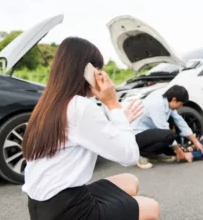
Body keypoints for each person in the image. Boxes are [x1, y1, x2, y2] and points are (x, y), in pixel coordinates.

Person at [21, 37, 160, 220]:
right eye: (98, 69)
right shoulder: (80, 106)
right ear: (86, 71)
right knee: (151, 208)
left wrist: (121, 120)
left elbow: (90, 136)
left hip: (42, 206)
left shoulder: (50, 103)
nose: (101, 75)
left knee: (130, 181)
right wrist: (112, 104)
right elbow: (129, 156)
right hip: (67, 211)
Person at [131, 85, 203, 169]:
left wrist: (196, 142)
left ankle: (153, 155)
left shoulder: (167, 103)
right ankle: (142, 156)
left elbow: (180, 121)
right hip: (135, 137)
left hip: (147, 134)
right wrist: (178, 151)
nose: (181, 107)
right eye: (181, 104)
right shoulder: (157, 104)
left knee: (169, 136)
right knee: (169, 135)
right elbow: (163, 129)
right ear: (174, 99)